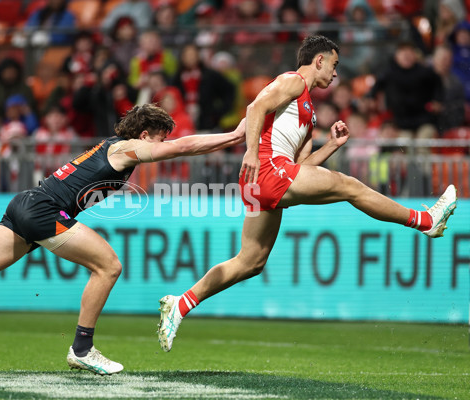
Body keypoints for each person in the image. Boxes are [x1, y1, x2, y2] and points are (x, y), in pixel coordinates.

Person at [0, 103, 246, 375]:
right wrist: (235, 135)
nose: (164, 145)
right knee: (109, 266)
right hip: (44, 210)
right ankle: (82, 348)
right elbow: (179, 149)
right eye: (161, 138)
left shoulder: (111, 149)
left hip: (27, 203)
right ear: (145, 135)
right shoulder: (127, 147)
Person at [157, 35, 458, 353]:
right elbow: (255, 106)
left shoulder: (308, 114)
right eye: (335, 64)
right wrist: (250, 153)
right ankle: (425, 220)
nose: (336, 73)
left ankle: (181, 303)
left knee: (251, 261)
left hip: (269, 179)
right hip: (265, 169)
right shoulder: (293, 81)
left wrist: (331, 146)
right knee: (349, 186)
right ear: (320, 60)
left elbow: (303, 168)